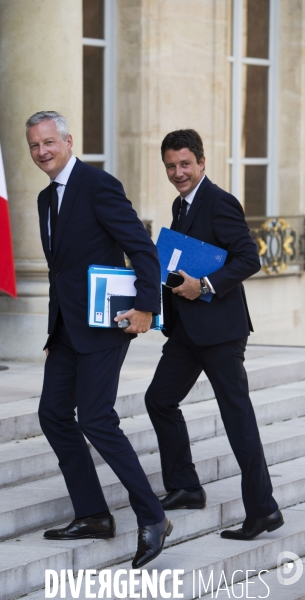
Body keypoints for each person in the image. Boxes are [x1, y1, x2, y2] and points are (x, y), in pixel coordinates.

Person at [26, 110, 172, 568]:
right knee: (52, 413)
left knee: (96, 418)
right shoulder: (44, 199)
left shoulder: (98, 184)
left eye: (49, 142)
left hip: (109, 323)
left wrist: (148, 306)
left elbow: (141, 246)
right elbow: (60, 272)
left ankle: (153, 516)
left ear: (68, 141)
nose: (42, 151)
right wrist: (55, 330)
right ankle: (92, 513)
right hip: (68, 328)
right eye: (34, 146)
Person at [145, 129, 284, 541]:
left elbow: (249, 258)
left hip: (221, 332)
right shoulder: (180, 204)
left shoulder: (220, 201)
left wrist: (203, 285)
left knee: (237, 419)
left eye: (185, 164)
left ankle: (264, 510)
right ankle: (186, 486)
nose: (178, 173)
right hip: (187, 331)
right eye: (171, 166)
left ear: (202, 162)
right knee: (159, 399)